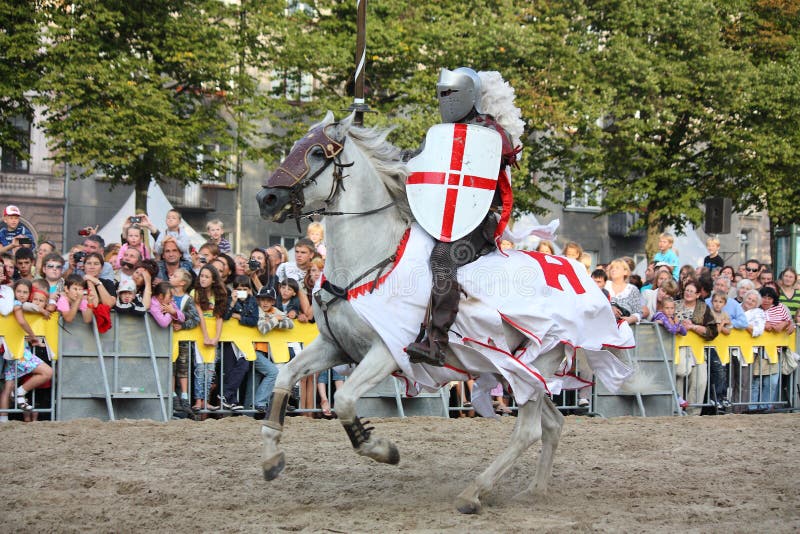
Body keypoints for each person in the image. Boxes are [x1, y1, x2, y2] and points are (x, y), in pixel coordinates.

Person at [406, 67, 522, 366]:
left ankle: (437, 342)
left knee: (443, 258)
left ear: (470, 95)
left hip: (478, 221)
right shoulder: (439, 135)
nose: (446, 100)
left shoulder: (493, 133)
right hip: (441, 217)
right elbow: (421, 168)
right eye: (441, 93)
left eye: (451, 93)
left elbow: (503, 153)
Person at [674, 280, 718, 414]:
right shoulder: (675, 305)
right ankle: (676, 410)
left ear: (698, 294)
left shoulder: (703, 308)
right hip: (678, 349)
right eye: (687, 290)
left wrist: (693, 327)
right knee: (679, 377)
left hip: (697, 350)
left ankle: (694, 412)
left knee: (699, 382)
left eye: (692, 291)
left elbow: (712, 331)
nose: (688, 293)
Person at [248, 286, 293, 415]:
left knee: (256, 381)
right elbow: (262, 328)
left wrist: (274, 321)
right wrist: (275, 319)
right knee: (273, 372)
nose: (265, 303)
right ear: (259, 301)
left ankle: (252, 411)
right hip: (252, 351)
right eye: (263, 300)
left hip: (266, 353)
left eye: (268, 300)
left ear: (273, 301)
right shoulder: (257, 311)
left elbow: (290, 324)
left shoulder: (274, 310)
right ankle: (260, 403)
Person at [191, 264, 228, 412]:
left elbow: (219, 317)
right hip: (200, 333)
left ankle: (206, 399)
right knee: (200, 368)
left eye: (206, 277)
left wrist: (216, 338)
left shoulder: (219, 294)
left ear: (213, 280)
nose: (203, 279)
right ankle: (198, 400)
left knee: (210, 369)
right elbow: (200, 315)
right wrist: (206, 336)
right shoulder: (195, 292)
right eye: (201, 276)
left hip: (213, 334)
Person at [219, 276, 259, 411]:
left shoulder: (253, 300)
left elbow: (254, 320)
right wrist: (232, 303)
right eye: (239, 289)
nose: (242, 291)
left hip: (245, 340)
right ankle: (232, 401)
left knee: (244, 365)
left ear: (249, 290)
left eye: (245, 289)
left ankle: (226, 394)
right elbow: (224, 316)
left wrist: (238, 316)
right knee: (230, 370)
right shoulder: (229, 299)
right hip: (230, 340)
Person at [752, 286, 794, 410]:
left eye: (769, 298)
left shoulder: (780, 307)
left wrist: (786, 323)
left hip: (776, 351)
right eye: (764, 297)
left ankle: (766, 407)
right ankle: (752, 407)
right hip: (757, 351)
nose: (766, 300)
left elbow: (790, 322)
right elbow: (747, 321)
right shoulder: (755, 308)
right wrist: (764, 325)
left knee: (772, 382)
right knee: (756, 382)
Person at [167, 268, 199, 414]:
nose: (170, 276)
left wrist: (183, 325)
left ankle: (185, 396)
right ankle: (173, 395)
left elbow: (196, 319)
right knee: (171, 367)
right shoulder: (166, 297)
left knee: (183, 368)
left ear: (181, 283)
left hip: (183, 341)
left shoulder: (188, 299)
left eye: (174, 276)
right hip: (168, 340)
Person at [707, 290, 733, 409]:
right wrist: (722, 324)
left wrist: (721, 325)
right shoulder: (709, 313)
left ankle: (722, 396)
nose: (718, 304)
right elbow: (716, 330)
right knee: (717, 370)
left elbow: (728, 332)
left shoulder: (725, 314)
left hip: (721, 348)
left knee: (723, 371)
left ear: (725, 303)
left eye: (721, 302)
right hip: (710, 346)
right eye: (716, 301)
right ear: (712, 302)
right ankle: (715, 396)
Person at [605, 259, 642, 325]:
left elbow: (638, 312)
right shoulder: (604, 286)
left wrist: (630, 319)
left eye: (617, 268)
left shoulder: (632, 289)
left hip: (625, 328)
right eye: (612, 268)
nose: (613, 270)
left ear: (625, 272)